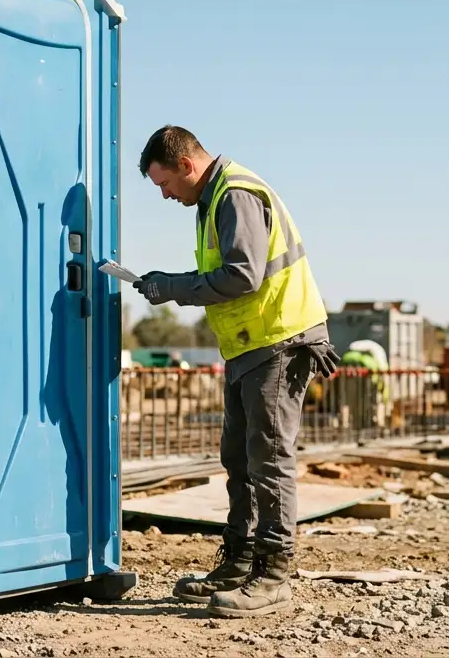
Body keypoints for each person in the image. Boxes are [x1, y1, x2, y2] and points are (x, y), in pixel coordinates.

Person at [131, 124, 340, 618]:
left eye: (165, 183)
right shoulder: (213, 200)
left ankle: (273, 574)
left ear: (186, 165)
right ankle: (240, 561)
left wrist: (173, 286)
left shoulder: (235, 195)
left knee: (267, 460)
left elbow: (243, 276)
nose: (165, 195)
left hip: (278, 343)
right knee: (239, 460)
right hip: (252, 347)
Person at [339, 339, 391, 429]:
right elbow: (383, 375)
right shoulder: (378, 354)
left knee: (351, 401)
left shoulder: (350, 355)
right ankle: (378, 424)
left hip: (353, 378)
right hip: (370, 380)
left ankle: (348, 424)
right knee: (373, 402)